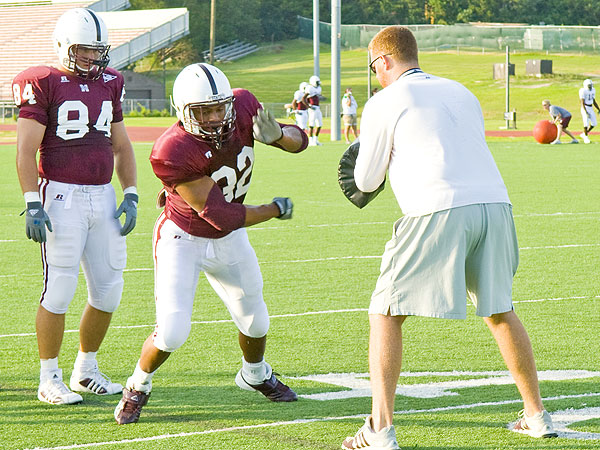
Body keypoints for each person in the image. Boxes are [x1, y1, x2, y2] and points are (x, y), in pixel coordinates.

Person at [340, 26, 557, 449]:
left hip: (437, 207)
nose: (375, 75)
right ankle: (537, 416)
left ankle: (379, 431)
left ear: (383, 61)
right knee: (499, 310)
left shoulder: (384, 100)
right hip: (496, 205)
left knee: (385, 313)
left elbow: (365, 180)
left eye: (374, 68)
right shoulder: (460, 92)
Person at [114, 63, 308, 425]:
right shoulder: (172, 149)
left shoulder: (245, 105)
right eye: (203, 111)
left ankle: (255, 374)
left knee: (256, 321)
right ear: (184, 112)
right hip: (183, 238)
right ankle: (137, 386)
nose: (216, 118)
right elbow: (222, 215)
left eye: (220, 108)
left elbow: (301, 142)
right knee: (172, 331)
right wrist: (273, 209)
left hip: (229, 239)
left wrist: (279, 135)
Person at [13, 8, 138, 405]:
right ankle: (48, 377)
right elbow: (26, 149)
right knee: (60, 289)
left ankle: (86, 369)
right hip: (61, 196)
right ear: (65, 47)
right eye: (85, 50)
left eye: (99, 51)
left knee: (108, 290)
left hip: (102, 196)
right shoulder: (43, 82)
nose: (94, 58)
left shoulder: (111, 83)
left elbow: (121, 144)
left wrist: (131, 192)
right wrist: (33, 202)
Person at [579, 79, 599, 144]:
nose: (590, 87)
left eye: (590, 85)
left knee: (594, 123)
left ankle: (584, 133)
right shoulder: (583, 90)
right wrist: (585, 112)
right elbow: (582, 102)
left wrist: (598, 108)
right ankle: (586, 138)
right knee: (586, 123)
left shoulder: (593, 90)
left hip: (590, 107)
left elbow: (593, 100)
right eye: (589, 85)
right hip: (585, 107)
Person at [306, 75, 323, 146]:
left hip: (317, 108)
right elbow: (304, 99)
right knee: (311, 124)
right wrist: (309, 106)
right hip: (313, 108)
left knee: (319, 124)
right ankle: (311, 140)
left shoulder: (318, 88)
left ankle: (315, 140)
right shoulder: (309, 88)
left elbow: (318, 96)